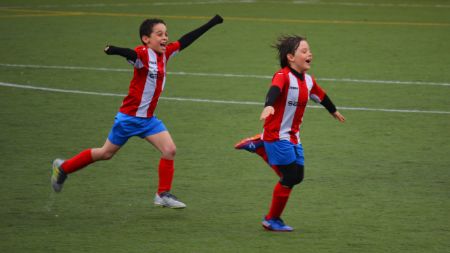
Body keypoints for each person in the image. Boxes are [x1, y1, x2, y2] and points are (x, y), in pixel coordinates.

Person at [51, 15, 224, 209]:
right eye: (159, 34)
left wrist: (211, 23)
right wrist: (115, 50)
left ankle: (162, 194)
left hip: (148, 120)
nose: (165, 38)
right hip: (128, 119)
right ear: (146, 39)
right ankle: (63, 168)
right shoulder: (142, 54)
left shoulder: (165, 54)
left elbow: (186, 40)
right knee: (106, 153)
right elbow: (131, 55)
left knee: (170, 150)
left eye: (166, 34)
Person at [235, 35, 345, 231]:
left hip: (294, 136)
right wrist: (268, 106)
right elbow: (274, 91)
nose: (309, 54)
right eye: (304, 51)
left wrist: (333, 110)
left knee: (297, 176)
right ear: (290, 57)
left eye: (309, 50)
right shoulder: (283, 76)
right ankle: (271, 219)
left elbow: (321, 95)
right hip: (276, 134)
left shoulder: (309, 81)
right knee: (290, 176)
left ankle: (260, 147)